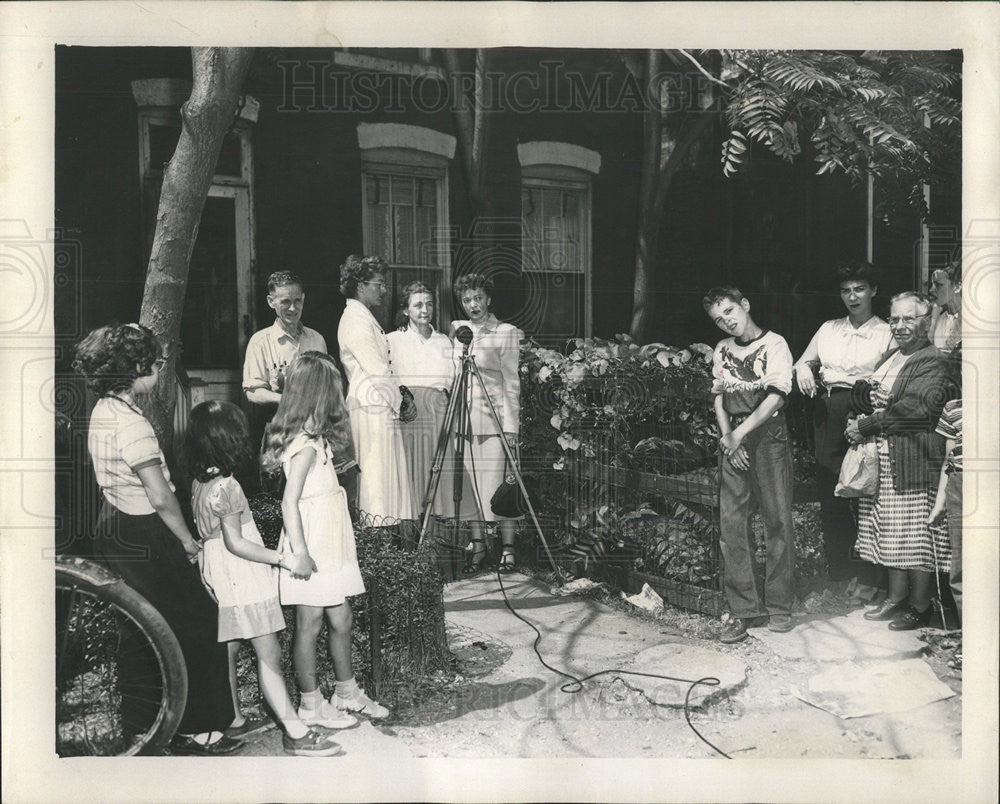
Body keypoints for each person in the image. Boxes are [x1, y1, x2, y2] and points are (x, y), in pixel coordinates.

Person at [72, 323, 242, 755]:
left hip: (113, 527)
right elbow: (161, 495)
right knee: (199, 617)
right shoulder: (133, 426)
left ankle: (144, 727)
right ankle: (199, 727)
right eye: (156, 363)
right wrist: (187, 540)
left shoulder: (103, 410)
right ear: (138, 369)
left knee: (141, 628)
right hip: (146, 529)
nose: (160, 369)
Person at [181, 400, 345, 757]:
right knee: (268, 653)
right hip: (242, 574)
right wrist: (285, 559)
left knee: (231, 644)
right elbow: (236, 543)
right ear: (232, 442)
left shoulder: (197, 482)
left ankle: (233, 718)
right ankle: (296, 732)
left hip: (216, 569)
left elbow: (212, 540)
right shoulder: (228, 486)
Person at [261, 351, 390, 723]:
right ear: (318, 395)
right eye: (334, 390)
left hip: (331, 540)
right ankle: (310, 703)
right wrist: (299, 552)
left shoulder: (316, 440)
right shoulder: (302, 446)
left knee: (342, 618)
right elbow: (289, 502)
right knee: (310, 622)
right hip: (312, 544)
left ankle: (347, 692)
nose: (339, 397)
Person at [848, 292, 957, 631]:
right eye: (894, 319)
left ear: (926, 322)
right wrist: (870, 401)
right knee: (891, 534)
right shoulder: (893, 354)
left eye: (909, 319)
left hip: (913, 459)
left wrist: (865, 423)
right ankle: (896, 599)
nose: (900, 325)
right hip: (885, 458)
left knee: (914, 537)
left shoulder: (934, 359)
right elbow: (861, 390)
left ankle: (920, 605)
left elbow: (918, 410)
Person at [792, 261, 894, 602]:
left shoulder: (885, 332)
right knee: (831, 492)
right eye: (846, 290)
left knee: (866, 493)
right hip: (828, 408)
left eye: (859, 289)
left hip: (866, 407)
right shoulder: (829, 328)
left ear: (873, 291)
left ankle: (871, 577)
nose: (852, 297)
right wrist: (804, 368)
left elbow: (890, 381)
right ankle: (841, 574)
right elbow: (803, 361)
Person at [703, 286, 796, 643]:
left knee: (777, 520)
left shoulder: (775, 345)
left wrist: (740, 435)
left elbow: (775, 398)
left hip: (766, 436)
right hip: (734, 438)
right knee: (732, 523)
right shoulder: (722, 350)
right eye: (718, 318)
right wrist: (728, 439)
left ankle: (779, 606)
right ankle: (744, 610)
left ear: (745, 305)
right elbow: (718, 398)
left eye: (729, 311)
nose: (726, 321)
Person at [243, 270, 359, 497]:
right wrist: (293, 400)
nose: (293, 308)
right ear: (271, 301)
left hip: (317, 431)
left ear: (304, 299)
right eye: (285, 302)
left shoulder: (316, 339)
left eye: (297, 301)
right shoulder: (260, 341)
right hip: (279, 431)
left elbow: (329, 384)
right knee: (283, 495)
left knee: (322, 491)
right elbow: (252, 392)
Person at [386, 281, 475, 527]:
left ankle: (436, 549)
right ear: (406, 310)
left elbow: (452, 381)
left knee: (439, 479)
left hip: (438, 415)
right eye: (417, 305)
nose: (424, 310)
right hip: (409, 415)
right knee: (411, 478)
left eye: (429, 304)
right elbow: (388, 377)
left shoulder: (444, 341)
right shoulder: (392, 340)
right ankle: (409, 546)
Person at [451, 273, 523, 574]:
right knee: (470, 485)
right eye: (467, 300)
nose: (473, 305)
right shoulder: (458, 330)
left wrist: (511, 426)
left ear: (488, 299)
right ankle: (478, 546)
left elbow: (511, 381)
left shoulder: (505, 332)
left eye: (478, 298)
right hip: (464, 421)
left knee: (500, 485)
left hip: (493, 420)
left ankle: (507, 549)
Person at [337, 254, 415, 526]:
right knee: (375, 480)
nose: (383, 290)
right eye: (378, 284)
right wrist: (402, 404)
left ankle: (386, 545)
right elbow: (377, 370)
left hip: (379, 405)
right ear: (360, 285)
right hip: (371, 407)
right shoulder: (356, 320)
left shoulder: (365, 317)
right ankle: (377, 544)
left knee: (384, 478)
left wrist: (399, 398)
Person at [930, 397, 962, 625]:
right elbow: (947, 461)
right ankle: (968, 643)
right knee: (961, 568)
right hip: (960, 486)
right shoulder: (953, 408)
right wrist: (939, 504)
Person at [929, 260, 962, 355]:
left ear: (957, 286)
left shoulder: (972, 320)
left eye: (938, 285)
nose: (931, 290)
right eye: (932, 284)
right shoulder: (938, 318)